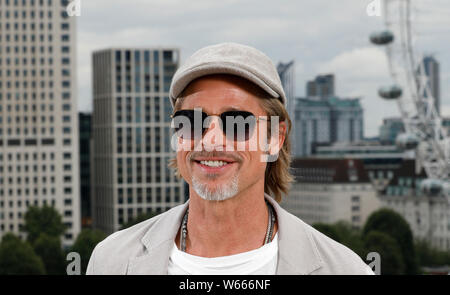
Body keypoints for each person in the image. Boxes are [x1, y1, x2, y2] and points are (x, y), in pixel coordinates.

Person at [86, 42, 374, 275]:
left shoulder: (346, 270)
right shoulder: (111, 261)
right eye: (192, 121)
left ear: (275, 137)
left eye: (237, 121)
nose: (211, 140)